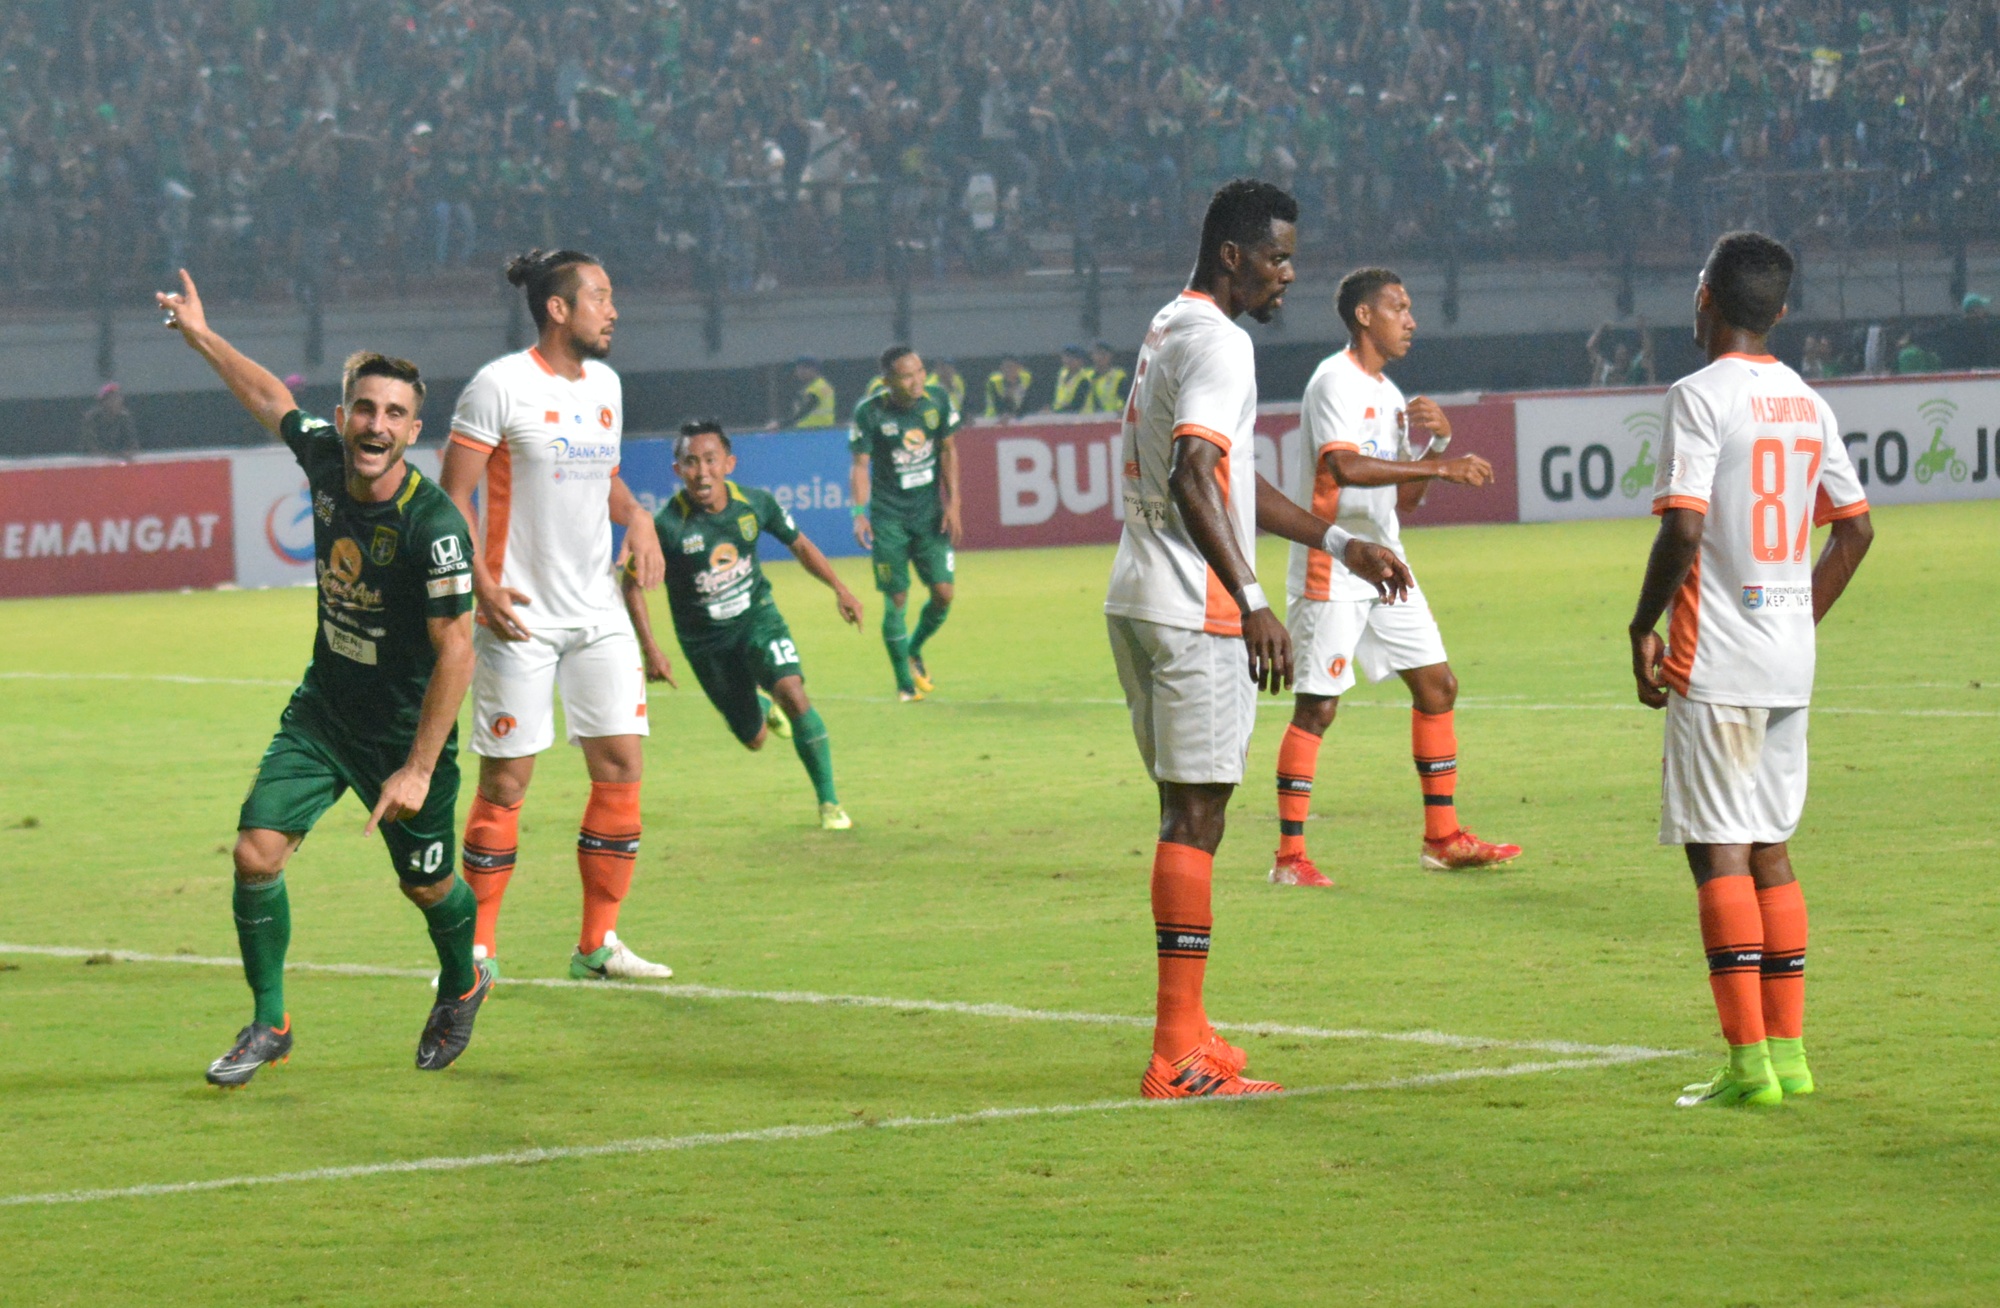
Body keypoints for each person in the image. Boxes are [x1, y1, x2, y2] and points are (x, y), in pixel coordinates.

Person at [1103, 179, 1414, 1100]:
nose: (1287, 276)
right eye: (1277, 257)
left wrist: (1339, 539)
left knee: (1188, 811)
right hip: (1192, 608)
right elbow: (1197, 473)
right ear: (1233, 256)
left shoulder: (1170, 324)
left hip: (1141, 595)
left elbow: (1225, 484)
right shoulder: (1223, 344)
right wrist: (1250, 598)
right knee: (1195, 820)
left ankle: (1190, 1027)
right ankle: (1175, 1054)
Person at [155, 270, 491, 1086]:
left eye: (394, 415)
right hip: (324, 713)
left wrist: (416, 767)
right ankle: (271, 1022)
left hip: (404, 735)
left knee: (428, 885)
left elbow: (458, 649)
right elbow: (268, 393)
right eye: (364, 410)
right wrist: (201, 335)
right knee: (255, 851)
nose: (376, 427)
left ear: (414, 431)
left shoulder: (433, 527)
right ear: (344, 417)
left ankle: (463, 979)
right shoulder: (324, 455)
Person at [1627, 231, 1872, 1108]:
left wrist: (1641, 625)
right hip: (1787, 661)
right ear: (1780, 309)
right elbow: (1856, 527)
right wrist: (1795, 617)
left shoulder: (1697, 396)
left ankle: (1746, 1068)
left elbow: (1684, 527)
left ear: (1705, 299)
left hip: (1717, 659)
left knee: (1717, 850)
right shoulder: (1806, 400)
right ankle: (1793, 1058)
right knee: (1770, 845)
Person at [440, 249, 673, 982]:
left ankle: (597, 946)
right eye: (600, 297)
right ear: (558, 309)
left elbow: (603, 478)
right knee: (506, 782)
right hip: (520, 614)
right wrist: (479, 583)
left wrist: (636, 515)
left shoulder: (605, 385)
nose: (614, 310)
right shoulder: (498, 386)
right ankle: (473, 951)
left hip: (597, 611)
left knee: (621, 767)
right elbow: (452, 500)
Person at [1271, 268, 1521, 887]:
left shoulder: (1388, 395)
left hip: (1386, 564)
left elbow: (1402, 504)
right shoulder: (1334, 380)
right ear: (1364, 316)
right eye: (1399, 307)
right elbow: (1345, 467)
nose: (1411, 319)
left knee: (1438, 687)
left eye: (1410, 308)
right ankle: (1289, 859)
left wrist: (1431, 447)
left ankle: (1443, 839)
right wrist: (1442, 465)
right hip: (1335, 560)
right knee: (1318, 707)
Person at [622, 420, 862, 830]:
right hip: (705, 643)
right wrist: (652, 649)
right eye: (691, 462)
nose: (702, 472)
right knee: (753, 739)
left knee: (793, 691)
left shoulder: (755, 504)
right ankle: (762, 707)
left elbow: (800, 544)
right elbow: (630, 584)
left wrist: (839, 587)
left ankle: (830, 803)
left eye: (711, 460)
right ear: (677, 470)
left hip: (757, 618)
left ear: (729, 463)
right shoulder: (666, 526)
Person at [850, 344, 962, 701]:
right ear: (887, 380)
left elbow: (948, 450)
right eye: (906, 375)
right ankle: (904, 683)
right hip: (889, 519)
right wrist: (858, 514)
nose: (916, 381)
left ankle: (913, 649)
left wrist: (954, 502)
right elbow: (860, 466)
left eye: (919, 371)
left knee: (943, 594)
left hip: (928, 514)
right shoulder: (869, 413)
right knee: (896, 597)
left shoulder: (938, 402)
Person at [79, 382, 139, 458]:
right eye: (112, 398)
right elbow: (90, 445)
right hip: (92, 460)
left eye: (118, 398)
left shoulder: (124, 417)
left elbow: (132, 443)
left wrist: (127, 453)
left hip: (118, 458)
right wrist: (107, 456)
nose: (116, 401)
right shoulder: (92, 418)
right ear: (103, 402)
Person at [788, 357, 839, 428]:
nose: (798, 373)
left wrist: (781, 424)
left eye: (802, 369)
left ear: (813, 370)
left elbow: (805, 410)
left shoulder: (817, 388)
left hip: (813, 431)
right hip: (820, 430)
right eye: (797, 369)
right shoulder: (820, 386)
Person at [983, 355, 1034, 420]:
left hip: (1025, 420)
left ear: (1019, 368)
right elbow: (995, 404)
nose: (1008, 370)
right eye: (1004, 367)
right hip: (995, 420)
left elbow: (1031, 401)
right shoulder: (994, 382)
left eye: (1011, 367)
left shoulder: (1027, 378)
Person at [1086, 341, 1129, 414]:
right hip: (1089, 418)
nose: (1100, 358)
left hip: (1112, 417)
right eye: (1097, 354)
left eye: (1104, 354)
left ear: (1110, 356)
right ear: (1092, 356)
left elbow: (1126, 398)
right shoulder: (1086, 376)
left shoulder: (1118, 376)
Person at [1050, 343, 1094, 413]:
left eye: (1074, 358)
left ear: (1081, 361)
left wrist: (1054, 413)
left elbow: (1076, 405)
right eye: (1066, 356)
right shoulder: (1061, 374)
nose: (1069, 360)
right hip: (1062, 418)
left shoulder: (1084, 379)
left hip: (1082, 419)